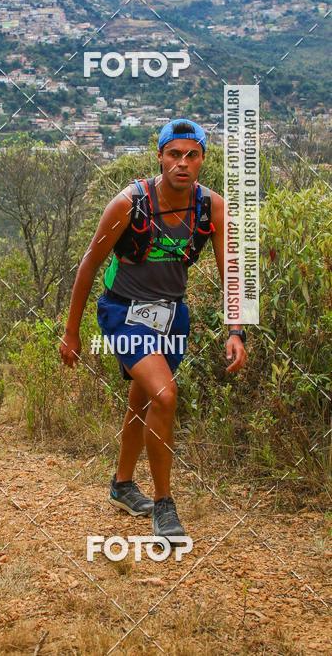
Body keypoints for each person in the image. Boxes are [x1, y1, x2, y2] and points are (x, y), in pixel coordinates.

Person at [59, 119, 247, 543]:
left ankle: (123, 485)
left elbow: (231, 273)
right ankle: (164, 504)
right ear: (160, 157)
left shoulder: (211, 207)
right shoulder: (129, 203)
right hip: (122, 312)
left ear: (202, 160)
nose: (182, 163)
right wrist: (71, 332)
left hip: (171, 316)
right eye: (174, 154)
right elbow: (89, 264)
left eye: (192, 155)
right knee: (164, 395)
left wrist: (236, 330)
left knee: (144, 401)